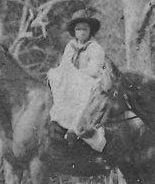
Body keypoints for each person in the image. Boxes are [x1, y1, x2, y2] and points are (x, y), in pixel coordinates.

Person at [47, 10, 112, 151]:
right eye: (78, 29)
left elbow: (94, 70)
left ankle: (76, 128)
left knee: (85, 97)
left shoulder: (95, 48)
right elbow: (65, 64)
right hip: (72, 81)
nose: (81, 32)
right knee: (55, 77)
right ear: (74, 31)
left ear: (90, 31)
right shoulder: (70, 46)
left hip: (90, 81)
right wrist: (65, 73)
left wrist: (76, 74)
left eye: (85, 29)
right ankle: (58, 122)